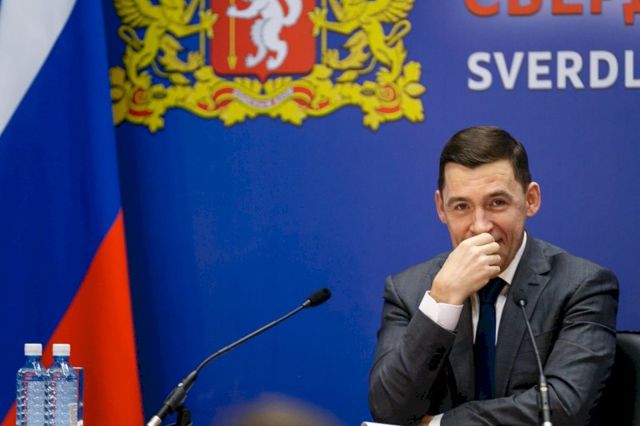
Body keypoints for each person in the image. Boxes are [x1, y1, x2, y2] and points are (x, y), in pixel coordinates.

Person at [368, 126, 618, 425]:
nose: (480, 226)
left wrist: (441, 424)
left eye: (497, 203)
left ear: (531, 199)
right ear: (441, 208)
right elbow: (389, 410)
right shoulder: (408, 290)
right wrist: (441, 303)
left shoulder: (582, 285)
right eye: (461, 206)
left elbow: (564, 405)